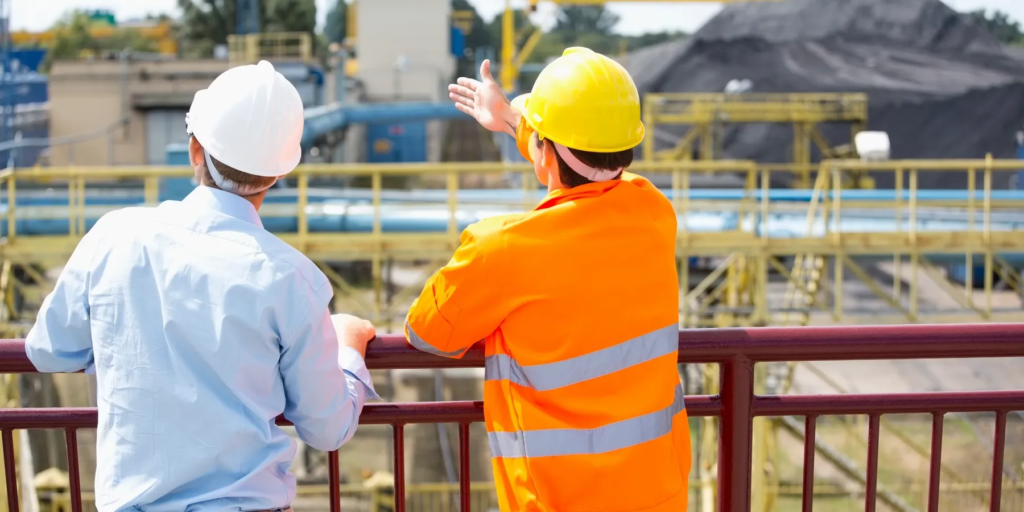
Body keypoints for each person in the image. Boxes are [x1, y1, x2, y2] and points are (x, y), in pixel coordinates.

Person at [25, 60, 378, 512]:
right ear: (278, 173)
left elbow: (46, 351)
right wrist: (348, 349)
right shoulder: (292, 278)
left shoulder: (113, 236)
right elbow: (326, 429)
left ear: (195, 149)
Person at [404, 48, 691, 511]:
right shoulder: (654, 212)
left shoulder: (499, 249)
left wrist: (521, 122)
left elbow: (425, 333)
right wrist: (514, 120)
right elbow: (587, 164)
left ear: (546, 148)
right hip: (658, 496)